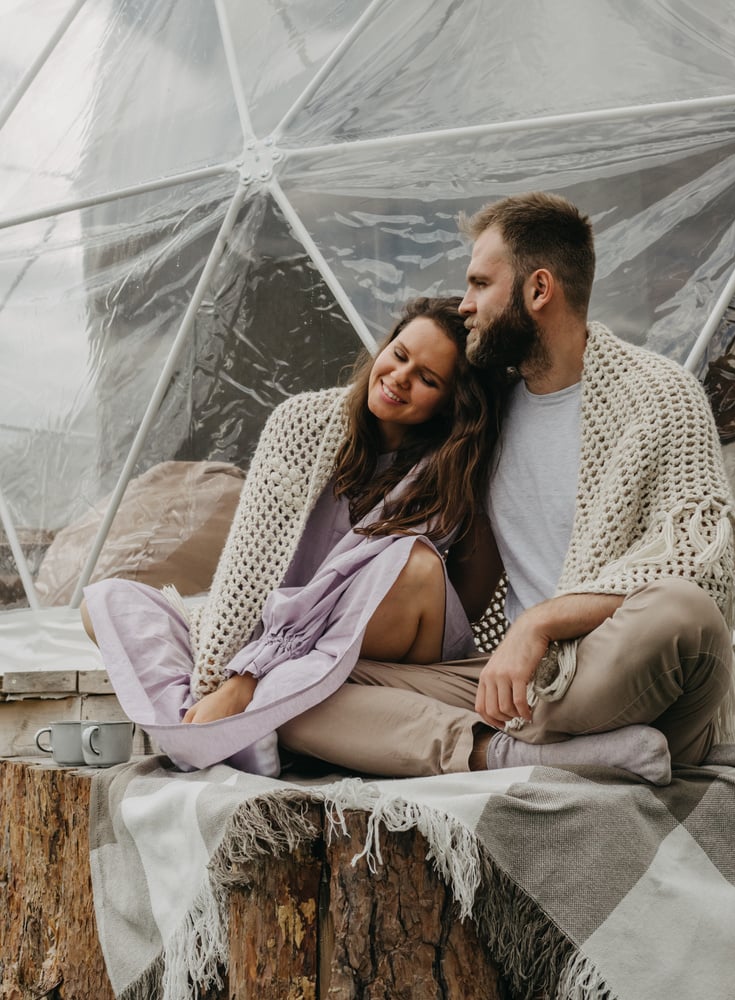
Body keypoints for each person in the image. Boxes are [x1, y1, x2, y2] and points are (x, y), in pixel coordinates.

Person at [273, 191, 735, 786]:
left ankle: (513, 740)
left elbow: (703, 567)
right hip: (515, 686)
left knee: (683, 610)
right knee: (292, 692)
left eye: (479, 284)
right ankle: (512, 756)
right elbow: (382, 414)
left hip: (612, 669)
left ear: (538, 290)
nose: (466, 305)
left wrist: (540, 624)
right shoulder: (488, 413)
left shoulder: (658, 396)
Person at [81, 296, 505, 776]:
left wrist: (247, 681)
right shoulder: (303, 424)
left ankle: (243, 725)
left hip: (373, 651)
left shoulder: (451, 468)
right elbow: (247, 566)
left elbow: (465, 605)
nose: (400, 378)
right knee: (107, 603)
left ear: (451, 402)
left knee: (413, 564)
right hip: (276, 643)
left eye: (428, 379)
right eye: (400, 354)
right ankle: (256, 721)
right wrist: (228, 673)